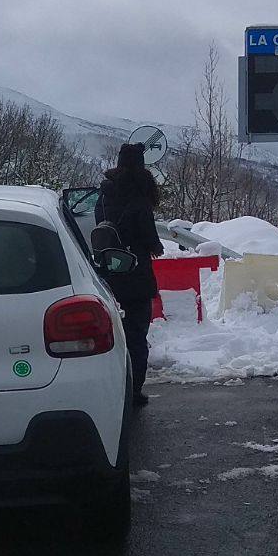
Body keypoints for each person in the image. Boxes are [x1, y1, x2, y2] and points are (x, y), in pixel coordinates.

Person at [94, 143, 164, 407]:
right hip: (135, 275)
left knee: (111, 335)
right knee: (136, 335)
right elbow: (151, 240)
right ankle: (133, 390)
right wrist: (154, 247)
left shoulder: (104, 194)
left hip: (107, 274)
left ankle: (110, 387)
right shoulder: (139, 197)